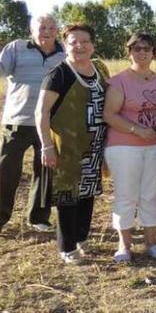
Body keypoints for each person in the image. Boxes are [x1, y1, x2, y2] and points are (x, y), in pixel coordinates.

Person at [34, 24, 108, 264]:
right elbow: (41, 112)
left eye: (85, 41)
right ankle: (67, 247)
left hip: (94, 146)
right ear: (65, 45)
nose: (80, 46)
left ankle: (81, 237)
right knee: (67, 196)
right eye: (73, 42)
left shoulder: (99, 68)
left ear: (93, 44)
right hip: (65, 150)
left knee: (87, 192)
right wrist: (46, 145)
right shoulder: (59, 74)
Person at [103, 32, 156, 263]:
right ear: (129, 51)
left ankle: (151, 243)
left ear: (154, 52)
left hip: (155, 145)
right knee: (126, 195)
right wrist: (137, 130)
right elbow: (109, 115)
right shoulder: (119, 80)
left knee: (150, 194)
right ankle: (124, 244)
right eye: (137, 48)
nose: (142, 52)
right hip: (125, 146)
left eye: (147, 48)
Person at [0, 14, 63, 233]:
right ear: (31, 30)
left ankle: (38, 218)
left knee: (46, 170)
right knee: (5, 170)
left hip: (50, 122)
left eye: (52, 27)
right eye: (42, 27)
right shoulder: (16, 48)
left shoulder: (64, 54)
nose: (47, 31)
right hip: (17, 120)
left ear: (57, 31)